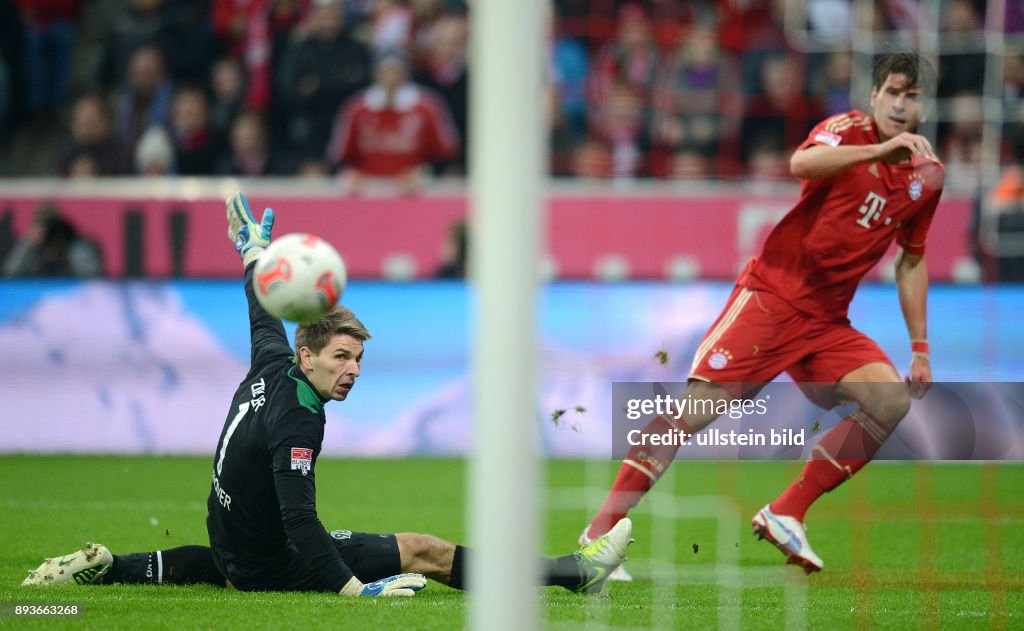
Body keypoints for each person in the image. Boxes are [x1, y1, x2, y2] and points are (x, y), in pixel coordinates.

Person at [22, 192, 633, 597]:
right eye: (342, 357)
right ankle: (573, 574)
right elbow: (300, 520)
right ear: (308, 356)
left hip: (232, 543)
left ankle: (105, 571)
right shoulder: (298, 422)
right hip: (269, 560)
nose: (354, 370)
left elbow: (262, 314)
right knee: (424, 551)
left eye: (360, 358)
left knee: (214, 563)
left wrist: (255, 255)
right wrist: (352, 589)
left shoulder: (273, 361)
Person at [580, 51, 943, 576]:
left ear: (925, 106)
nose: (900, 103)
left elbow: (913, 260)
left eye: (911, 96)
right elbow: (801, 163)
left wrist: (920, 348)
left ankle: (786, 511)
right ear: (873, 96)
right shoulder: (847, 131)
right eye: (892, 92)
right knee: (693, 412)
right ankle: (597, 535)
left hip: (827, 323)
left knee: (889, 400)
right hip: (772, 298)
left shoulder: (928, 178)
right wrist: (879, 151)